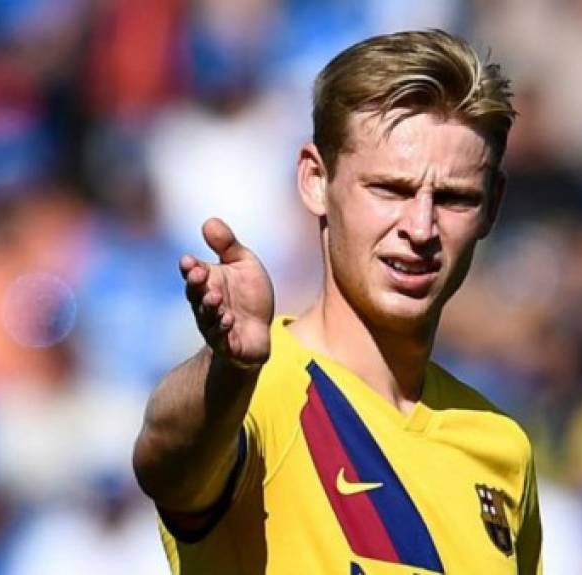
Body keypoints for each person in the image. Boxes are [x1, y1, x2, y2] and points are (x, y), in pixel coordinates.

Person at [132, 29, 542, 574]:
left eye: (454, 198)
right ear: (315, 180)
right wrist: (229, 369)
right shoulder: (258, 389)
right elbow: (167, 460)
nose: (420, 227)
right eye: (390, 189)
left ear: (492, 207)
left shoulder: (501, 448)